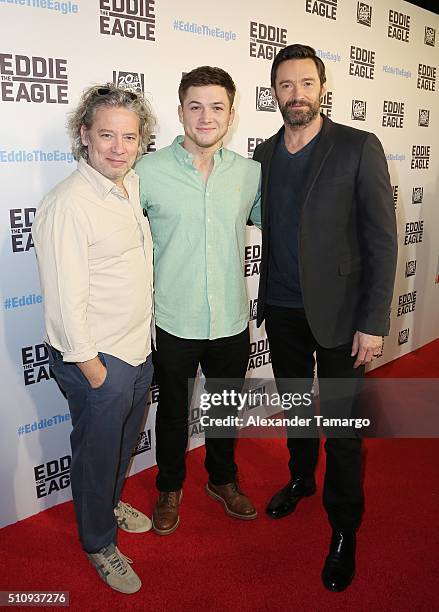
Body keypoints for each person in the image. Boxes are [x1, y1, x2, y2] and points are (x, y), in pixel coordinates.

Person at [252, 44, 397, 591]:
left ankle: (343, 528)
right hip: (282, 310)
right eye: (286, 85)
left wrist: (375, 320)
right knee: (296, 407)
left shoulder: (359, 147)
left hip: (343, 317)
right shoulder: (263, 157)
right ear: (274, 93)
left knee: (342, 428)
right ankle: (298, 479)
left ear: (322, 88)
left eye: (306, 84)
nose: (297, 95)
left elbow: (382, 241)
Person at [33, 83, 155, 594]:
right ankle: (98, 541)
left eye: (128, 137)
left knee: (121, 446)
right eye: (106, 135)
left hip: (136, 347)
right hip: (97, 360)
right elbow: (63, 304)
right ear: (84, 136)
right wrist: (95, 371)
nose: (118, 147)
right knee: (97, 455)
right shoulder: (69, 203)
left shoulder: (129, 186)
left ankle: (105, 502)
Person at [136, 66, 261, 535]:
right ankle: (170, 487)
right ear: (180, 111)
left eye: (216, 107)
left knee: (226, 406)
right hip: (174, 317)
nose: (205, 117)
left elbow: (279, 225)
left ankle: (222, 480)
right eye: (195, 106)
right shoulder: (146, 171)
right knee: (172, 412)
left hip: (231, 317)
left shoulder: (250, 174)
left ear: (231, 114)